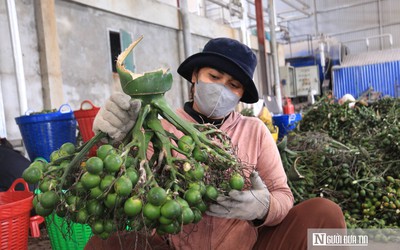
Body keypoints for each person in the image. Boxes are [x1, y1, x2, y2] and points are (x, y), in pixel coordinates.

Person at [86, 38, 346, 249]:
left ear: (242, 94)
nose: (222, 88)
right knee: (103, 242)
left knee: (324, 213)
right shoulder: (160, 125)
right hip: (172, 243)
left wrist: (263, 208)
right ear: (196, 76)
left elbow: (283, 194)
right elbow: (124, 182)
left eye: (233, 85)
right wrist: (113, 138)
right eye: (215, 76)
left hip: (245, 246)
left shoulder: (254, 130)